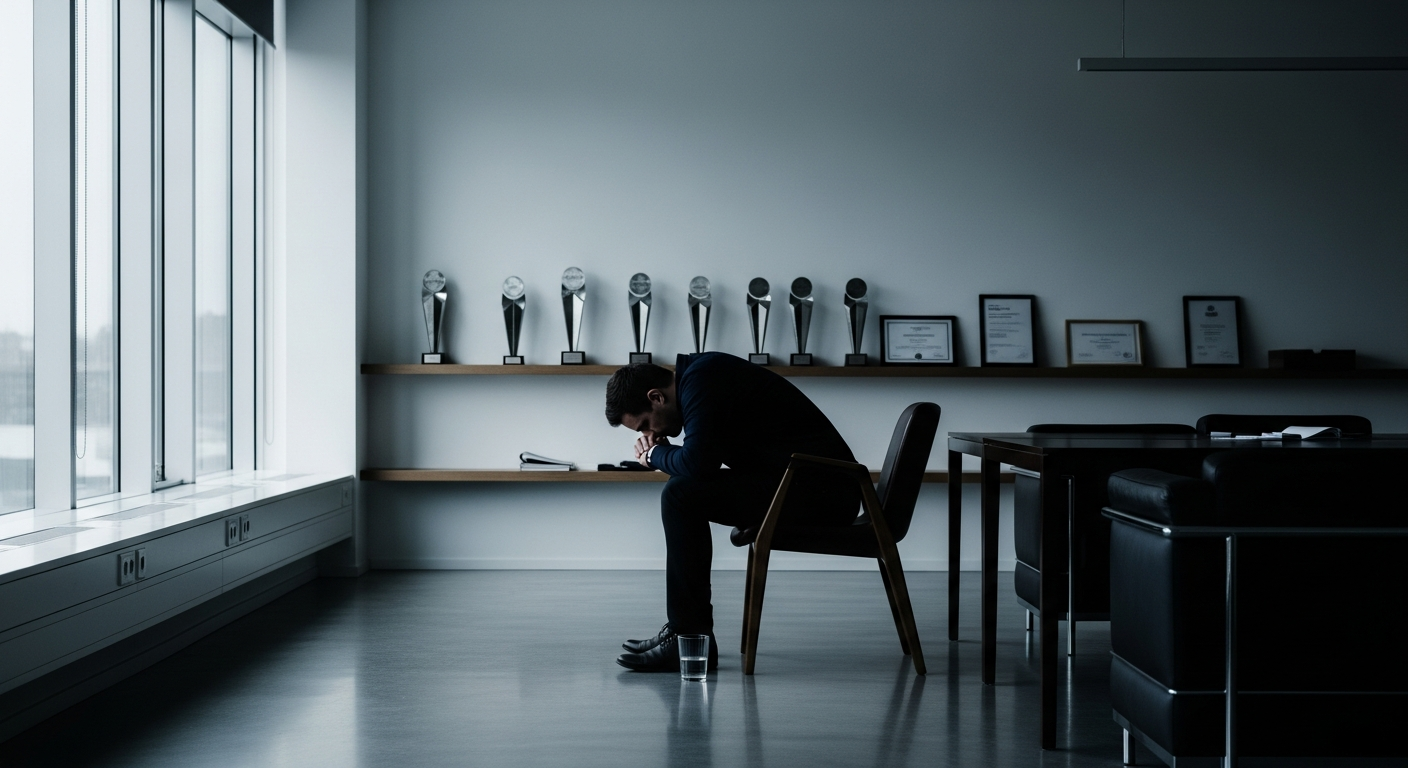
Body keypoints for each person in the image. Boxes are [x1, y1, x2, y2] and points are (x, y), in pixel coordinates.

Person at [605, 352, 862, 672]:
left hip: (823, 493)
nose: (649, 435)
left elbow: (698, 463)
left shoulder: (701, 379)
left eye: (644, 425)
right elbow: (699, 463)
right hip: (800, 483)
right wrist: (666, 454)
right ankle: (686, 632)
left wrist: (656, 454)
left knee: (680, 494)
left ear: (656, 397)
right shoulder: (699, 377)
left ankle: (689, 636)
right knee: (682, 492)